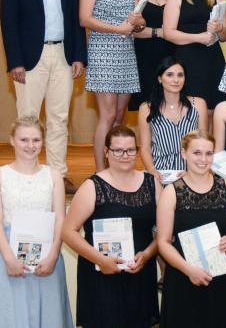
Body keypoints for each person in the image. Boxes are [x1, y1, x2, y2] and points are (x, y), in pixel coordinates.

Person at [0, 0, 87, 191]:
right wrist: (15, 61)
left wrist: (78, 56)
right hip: (28, 60)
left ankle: (57, 176)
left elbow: (75, 20)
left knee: (59, 118)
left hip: (62, 54)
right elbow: (8, 22)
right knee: (28, 119)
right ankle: (26, 176)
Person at [0, 116, 73, 328]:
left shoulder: (54, 175)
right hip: (6, 256)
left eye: (36, 140)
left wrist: (53, 255)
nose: (30, 146)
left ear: (43, 141)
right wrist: (9, 259)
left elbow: (60, 221)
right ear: (12, 140)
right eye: (24, 140)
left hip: (47, 259)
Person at [62, 126, 161, 328]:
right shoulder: (92, 186)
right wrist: (101, 260)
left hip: (140, 274)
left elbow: (164, 232)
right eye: (117, 150)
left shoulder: (152, 184)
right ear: (106, 152)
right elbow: (68, 232)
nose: (125, 155)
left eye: (130, 150)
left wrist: (148, 254)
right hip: (102, 277)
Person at [156, 130, 226, 327]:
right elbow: (163, 242)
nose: (203, 159)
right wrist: (189, 270)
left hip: (221, 278)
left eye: (208, 154)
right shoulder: (171, 192)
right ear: (184, 153)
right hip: (183, 277)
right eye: (197, 153)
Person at [80, 0, 145, 172]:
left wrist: (138, 22)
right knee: (106, 117)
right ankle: (100, 172)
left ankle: (116, 168)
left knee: (119, 117)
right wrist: (118, 29)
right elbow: (84, 18)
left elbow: (139, 24)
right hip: (102, 52)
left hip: (126, 54)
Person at [163, 0, 226, 113]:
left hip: (213, 60)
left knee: (215, 111)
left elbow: (225, 36)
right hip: (187, 61)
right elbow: (168, 33)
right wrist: (198, 37)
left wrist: (220, 28)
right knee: (191, 112)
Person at [137, 56, 208, 177]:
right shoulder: (146, 108)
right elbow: (145, 148)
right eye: (169, 75)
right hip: (160, 172)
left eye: (180, 75)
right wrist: (153, 171)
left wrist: (194, 172)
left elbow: (204, 144)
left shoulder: (199, 104)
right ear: (160, 78)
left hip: (192, 172)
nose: (176, 80)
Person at [128, 0, 177, 111]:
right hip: (145, 57)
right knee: (147, 108)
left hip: (171, 57)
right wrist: (160, 32)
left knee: (170, 106)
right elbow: (132, 30)